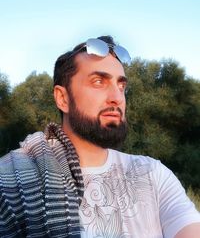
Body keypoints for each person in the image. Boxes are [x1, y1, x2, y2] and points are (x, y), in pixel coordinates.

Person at [0, 35, 200, 238]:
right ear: (62, 98)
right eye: (98, 82)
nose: (116, 97)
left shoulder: (154, 174)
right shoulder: (10, 182)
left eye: (121, 86)